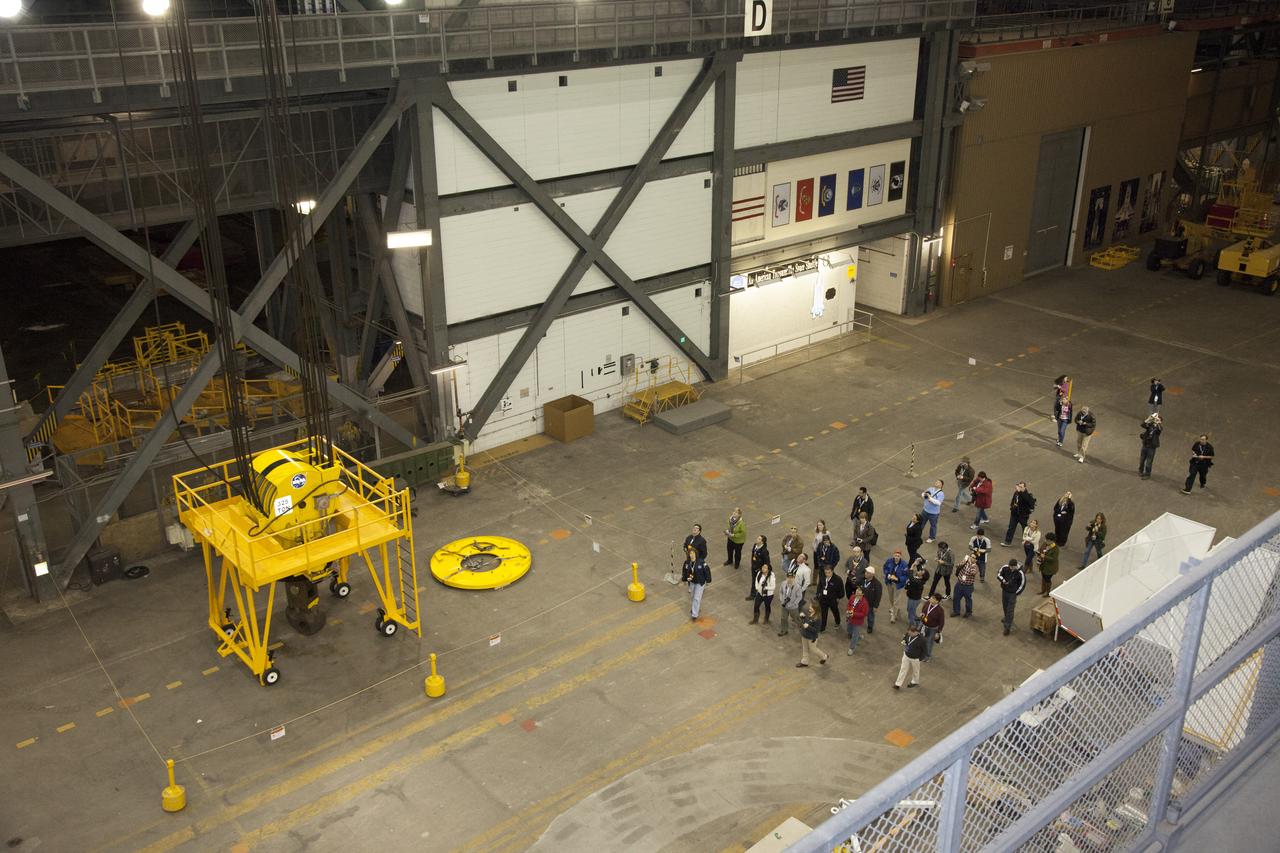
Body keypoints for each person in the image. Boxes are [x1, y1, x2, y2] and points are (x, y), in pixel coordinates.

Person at [680, 545, 711, 619]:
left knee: (697, 598)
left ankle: (694, 614)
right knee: (693, 597)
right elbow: (684, 572)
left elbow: (707, 570)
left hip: (700, 583)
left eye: (693, 553)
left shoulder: (701, 562)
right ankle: (695, 608)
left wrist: (708, 580)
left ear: (696, 554)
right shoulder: (687, 563)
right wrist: (685, 579)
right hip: (692, 583)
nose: (692, 555)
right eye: (690, 553)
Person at [1002, 482, 1036, 547]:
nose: (1019, 488)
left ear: (1025, 487)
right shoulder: (1016, 493)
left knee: (1025, 529)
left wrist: (1020, 492)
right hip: (1014, 514)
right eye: (1019, 486)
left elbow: (1026, 500)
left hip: (1023, 516)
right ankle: (1007, 542)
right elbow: (1013, 500)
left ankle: (1028, 542)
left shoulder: (1028, 495)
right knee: (1011, 528)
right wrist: (1011, 507)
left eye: (1021, 487)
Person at [997, 559, 1026, 635]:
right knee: (1005, 606)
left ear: (1015, 566)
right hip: (1005, 591)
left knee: (1010, 610)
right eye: (1010, 566)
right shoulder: (1005, 568)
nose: (1010, 568)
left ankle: (1007, 627)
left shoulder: (1020, 573)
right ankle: (1006, 618)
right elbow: (999, 574)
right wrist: (1003, 580)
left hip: (1012, 594)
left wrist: (1016, 593)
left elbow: (1022, 584)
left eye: (1012, 567)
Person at [797, 602, 828, 668]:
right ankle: (805, 662)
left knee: (813, 649)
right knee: (805, 649)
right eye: (810, 606)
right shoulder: (809, 613)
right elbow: (805, 621)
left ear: (815, 609)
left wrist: (808, 626)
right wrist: (803, 617)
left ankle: (824, 656)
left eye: (811, 607)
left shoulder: (818, 618)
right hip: (804, 634)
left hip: (811, 637)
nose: (809, 608)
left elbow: (816, 630)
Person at [894, 625, 925, 689]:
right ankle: (898, 684)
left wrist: (920, 658)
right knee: (903, 669)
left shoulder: (922, 640)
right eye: (908, 633)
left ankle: (915, 681)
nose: (909, 634)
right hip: (906, 655)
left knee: (916, 670)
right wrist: (904, 641)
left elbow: (925, 651)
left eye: (910, 633)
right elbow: (905, 638)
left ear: (915, 632)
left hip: (915, 658)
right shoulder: (908, 634)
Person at [882, 550, 909, 623]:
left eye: (898, 556)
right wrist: (887, 574)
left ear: (901, 557)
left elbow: (906, 576)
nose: (896, 557)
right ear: (893, 555)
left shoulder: (904, 565)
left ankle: (893, 616)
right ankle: (893, 608)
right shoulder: (889, 561)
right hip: (889, 583)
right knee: (891, 598)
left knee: (896, 600)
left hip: (898, 585)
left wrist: (898, 578)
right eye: (895, 555)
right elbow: (885, 568)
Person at [816, 565, 844, 632]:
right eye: (826, 572)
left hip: (832, 600)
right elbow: (820, 586)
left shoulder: (838, 579)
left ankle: (837, 622)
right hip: (823, 599)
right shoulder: (822, 577)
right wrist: (818, 594)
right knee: (823, 613)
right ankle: (822, 627)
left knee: (835, 611)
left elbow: (841, 591)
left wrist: (838, 598)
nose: (827, 574)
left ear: (832, 571)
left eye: (829, 572)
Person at [776, 569, 803, 636]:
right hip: (784, 605)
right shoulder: (783, 583)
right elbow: (781, 592)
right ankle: (784, 630)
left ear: (794, 578)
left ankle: (802, 629)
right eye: (788, 577)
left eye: (791, 578)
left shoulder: (797, 587)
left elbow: (799, 597)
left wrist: (793, 604)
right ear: (786, 577)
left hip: (793, 607)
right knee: (783, 618)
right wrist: (782, 600)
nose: (790, 579)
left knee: (796, 618)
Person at [905, 558, 929, 627]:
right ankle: (916, 619)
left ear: (922, 576)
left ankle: (913, 626)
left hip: (914, 599)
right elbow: (919, 568)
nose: (920, 571)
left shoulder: (918, 582)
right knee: (910, 610)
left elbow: (911, 578)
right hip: (912, 597)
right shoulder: (918, 578)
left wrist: (912, 565)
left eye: (921, 571)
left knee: (910, 613)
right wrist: (918, 562)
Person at [921, 593, 946, 661]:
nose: (930, 599)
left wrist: (938, 632)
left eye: (933, 598)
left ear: (937, 601)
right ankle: (922, 652)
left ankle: (927, 656)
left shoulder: (940, 610)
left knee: (929, 642)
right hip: (924, 625)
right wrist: (922, 616)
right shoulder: (927, 603)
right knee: (922, 639)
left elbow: (942, 622)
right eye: (931, 597)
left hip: (933, 628)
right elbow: (923, 611)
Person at [845, 586, 869, 655]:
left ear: (863, 594)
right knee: (849, 630)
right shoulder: (852, 597)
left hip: (857, 622)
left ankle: (851, 648)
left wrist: (853, 614)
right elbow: (849, 604)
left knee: (854, 635)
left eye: (860, 590)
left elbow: (863, 614)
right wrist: (849, 610)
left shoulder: (864, 603)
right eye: (857, 589)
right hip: (850, 618)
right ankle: (858, 636)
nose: (857, 591)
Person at [746, 535, 771, 601]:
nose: (757, 539)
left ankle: (754, 595)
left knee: (757, 581)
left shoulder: (764, 551)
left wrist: (763, 570)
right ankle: (755, 593)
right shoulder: (755, 545)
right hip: (754, 567)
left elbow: (767, 562)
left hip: (759, 569)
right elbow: (753, 555)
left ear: (762, 542)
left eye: (759, 539)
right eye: (757, 538)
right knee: (754, 581)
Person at [1139, 414, 1162, 479]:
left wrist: (1158, 423)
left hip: (1152, 447)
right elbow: (1142, 425)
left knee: (1149, 462)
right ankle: (1140, 470)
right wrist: (1149, 419)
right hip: (1145, 445)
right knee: (1142, 460)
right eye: (1156, 419)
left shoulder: (1158, 428)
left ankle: (1147, 474)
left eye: (1158, 419)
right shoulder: (1150, 425)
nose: (1156, 420)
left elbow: (1160, 429)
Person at [861, 566, 883, 635]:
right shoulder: (863, 580)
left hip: (869, 604)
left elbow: (878, 596)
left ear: (872, 574)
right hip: (861, 602)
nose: (865, 574)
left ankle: (870, 627)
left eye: (867, 573)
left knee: (870, 616)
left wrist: (875, 606)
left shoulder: (877, 584)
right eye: (865, 572)